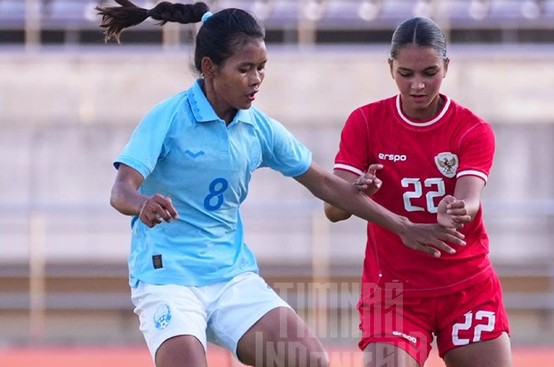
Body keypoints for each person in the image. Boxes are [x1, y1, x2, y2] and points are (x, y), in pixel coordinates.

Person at [98, 2, 467, 367]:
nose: (256, 79)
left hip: (230, 278)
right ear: (210, 68)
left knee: (310, 360)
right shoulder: (169, 117)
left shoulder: (257, 127)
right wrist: (141, 203)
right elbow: (121, 190)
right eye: (245, 69)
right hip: (167, 279)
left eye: (261, 68)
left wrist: (400, 225)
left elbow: (323, 182)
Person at [323, 16, 512, 367]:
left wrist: (456, 209)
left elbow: (470, 200)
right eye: (405, 74)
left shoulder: (471, 129)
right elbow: (333, 210)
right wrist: (356, 192)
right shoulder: (365, 122)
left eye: (429, 72)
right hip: (394, 294)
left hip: (466, 287)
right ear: (390, 67)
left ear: (447, 67)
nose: (418, 85)